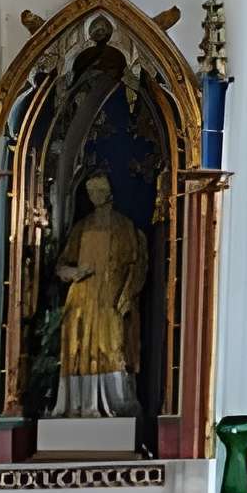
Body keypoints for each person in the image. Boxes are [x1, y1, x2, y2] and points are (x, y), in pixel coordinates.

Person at [49, 169, 146, 418]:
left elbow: (136, 265)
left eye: (100, 190)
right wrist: (74, 273)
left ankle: (116, 401)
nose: (96, 195)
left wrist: (125, 296)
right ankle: (81, 404)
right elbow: (61, 266)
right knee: (78, 348)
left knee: (111, 346)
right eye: (91, 191)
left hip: (110, 299)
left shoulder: (124, 227)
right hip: (82, 298)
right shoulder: (82, 228)